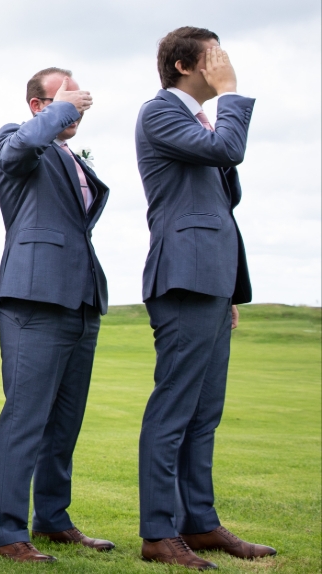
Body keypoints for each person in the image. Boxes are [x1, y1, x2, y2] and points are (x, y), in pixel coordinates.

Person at [135, 27, 274, 570]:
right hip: (183, 279)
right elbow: (229, 149)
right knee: (173, 408)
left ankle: (200, 522)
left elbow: (221, 196)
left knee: (204, 413)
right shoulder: (159, 112)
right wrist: (231, 92)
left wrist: (227, 289)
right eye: (215, 54)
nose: (224, 62)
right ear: (186, 65)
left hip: (211, 283)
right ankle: (158, 533)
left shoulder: (196, 123)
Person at [0, 67, 114, 562]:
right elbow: (18, 149)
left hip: (80, 300)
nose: (79, 104)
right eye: (66, 96)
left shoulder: (69, 157)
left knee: (65, 421)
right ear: (39, 106)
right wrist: (65, 108)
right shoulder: (16, 139)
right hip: (35, 298)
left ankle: (53, 519)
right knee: (25, 417)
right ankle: (8, 531)